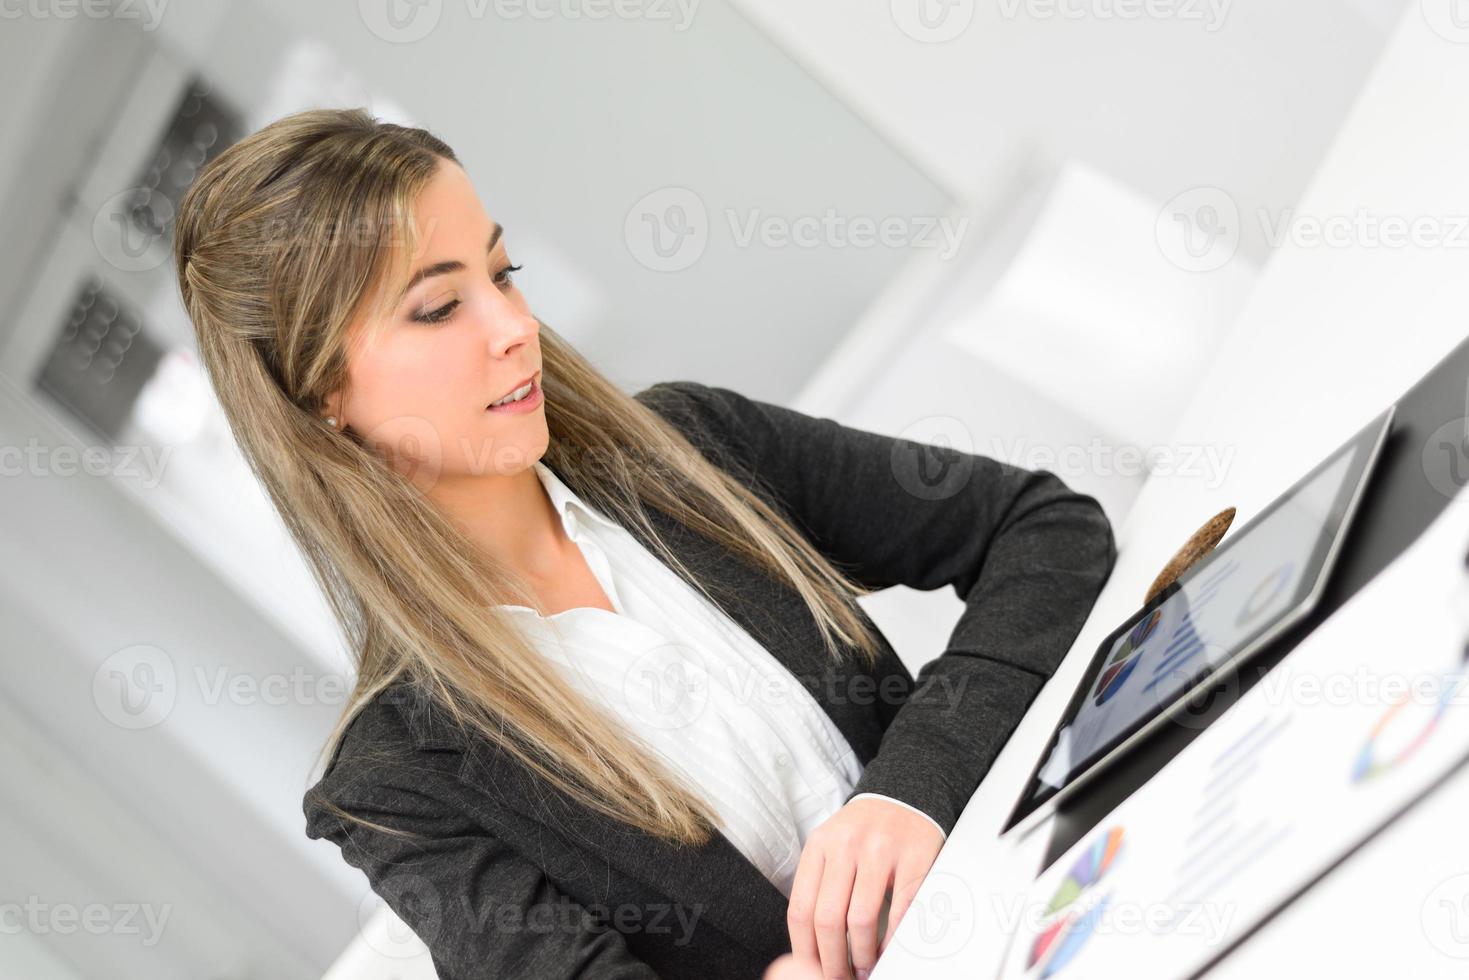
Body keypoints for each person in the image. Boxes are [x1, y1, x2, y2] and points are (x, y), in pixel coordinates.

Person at [171, 107, 1117, 979]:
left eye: (502, 276)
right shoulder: (395, 788)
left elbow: (1042, 530)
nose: (514, 329)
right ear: (321, 396)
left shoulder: (690, 447)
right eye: (438, 307)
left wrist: (911, 790)